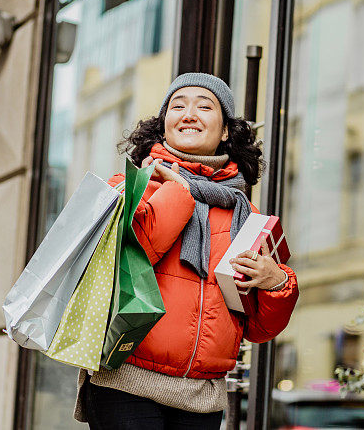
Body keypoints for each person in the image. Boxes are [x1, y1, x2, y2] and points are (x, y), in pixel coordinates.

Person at [75, 72, 299, 429]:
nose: (189, 113)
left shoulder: (245, 213)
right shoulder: (130, 187)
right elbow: (133, 256)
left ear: (226, 130)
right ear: (164, 126)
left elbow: (255, 327)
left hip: (201, 398)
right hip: (126, 382)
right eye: (177, 106)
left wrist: (276, 284)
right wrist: (177, 189)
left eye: (204, 106)